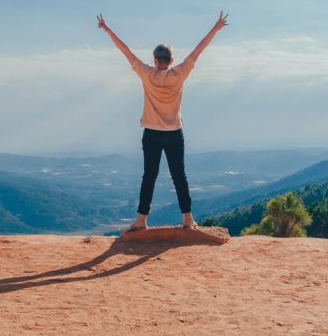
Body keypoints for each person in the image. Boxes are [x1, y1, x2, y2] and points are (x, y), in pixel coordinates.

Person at [97, 12, 229, 231]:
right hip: (174, 132)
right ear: (171, 61)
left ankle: (141, 219)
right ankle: (188, 218)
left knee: (149, 176)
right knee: (179, 176)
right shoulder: (180, 74)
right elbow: (198, 50)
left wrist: (108, 29)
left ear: (155, 60)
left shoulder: (146, 74)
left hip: (151, 132)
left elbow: (126, 52)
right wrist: (215, 28)